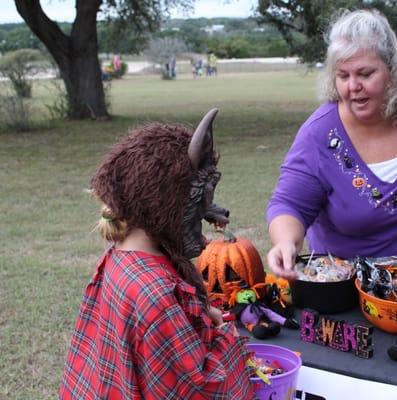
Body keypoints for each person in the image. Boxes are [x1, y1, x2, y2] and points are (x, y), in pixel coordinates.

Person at [266, 9, 397, 280]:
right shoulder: (318, 135)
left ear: (391, 69)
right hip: (348, 295)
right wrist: (285, 242)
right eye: (343, 76)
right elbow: (288, 204)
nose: (353, 86)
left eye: (365, 74)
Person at [59, 110, 255, 399]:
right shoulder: (156, 293)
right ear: (167, 202)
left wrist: (200, 314)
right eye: (202, 199)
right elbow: (200, 388)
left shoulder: (119, 259)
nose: (214, 214)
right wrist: (228, 336)